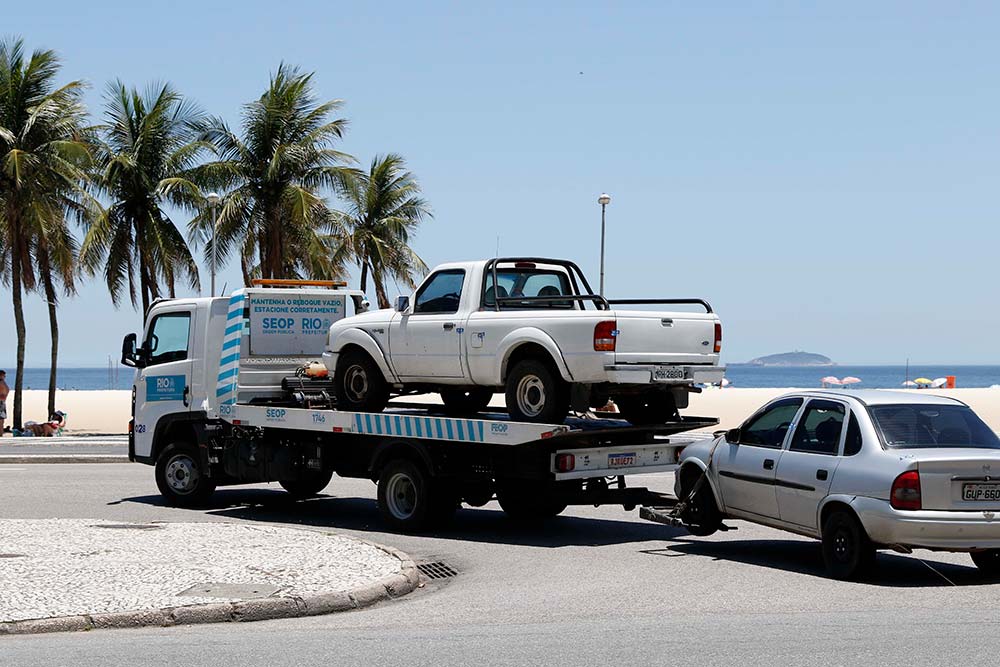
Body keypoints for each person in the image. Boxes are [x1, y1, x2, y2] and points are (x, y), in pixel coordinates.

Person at [0, 370, 8, 436]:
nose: (5, 377)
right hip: (1, 402)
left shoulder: (2, 382)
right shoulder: (2, 382)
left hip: (2, 402)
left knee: (1, 419)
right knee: (1, 419)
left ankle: (0, 433)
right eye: (4, 375)